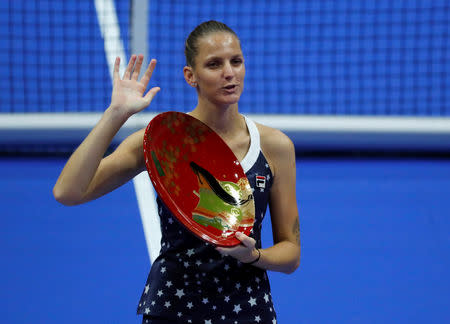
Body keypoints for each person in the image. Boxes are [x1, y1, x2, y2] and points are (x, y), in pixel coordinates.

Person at [53, 20, 300, 324]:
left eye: (236, 61)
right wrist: (115, 114)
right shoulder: (163, 142)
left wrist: (253, 256)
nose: (229, 72)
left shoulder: (275, 147)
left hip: (247, 308)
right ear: (190, 76)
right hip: (172, 307)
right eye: (214, 64)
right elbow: (68, 192)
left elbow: (291, 253)